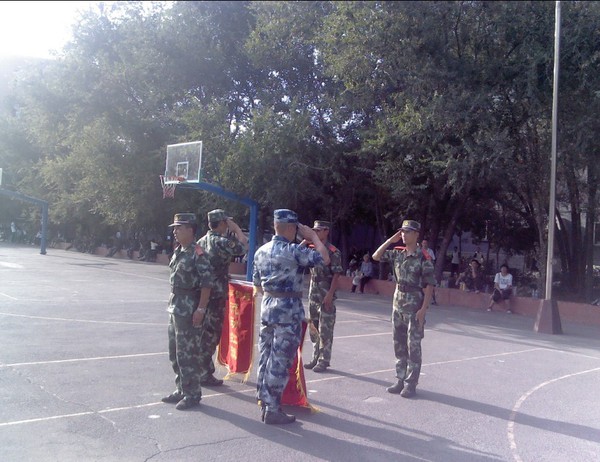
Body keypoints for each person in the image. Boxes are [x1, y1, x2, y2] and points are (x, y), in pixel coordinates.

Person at [253, 209, 330, 425]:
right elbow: (324, 258)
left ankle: (264, 398)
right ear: (290, 228)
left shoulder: (261, 251)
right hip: (287, 310)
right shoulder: (293, 251)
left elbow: (257, 284)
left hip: (268, 306)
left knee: (266, 355)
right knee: (280, 359)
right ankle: (272, 409)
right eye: (296, 228)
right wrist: (314, 237)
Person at [372, 219, 436, 398]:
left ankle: (411, 383)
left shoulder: (423, 257)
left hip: (415, 305)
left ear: (416, 234)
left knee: (413, 346)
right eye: (402, 231)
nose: (403, 235)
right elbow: (376, 256)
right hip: (398, 304)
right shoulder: (397, 254)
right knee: (398, 343)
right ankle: (400, 379)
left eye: (407, 232)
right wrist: (390, 241)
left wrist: (423, 310)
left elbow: (430, 286)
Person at [161, 213, 212, 410]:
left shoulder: (198, 254)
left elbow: (206, 284)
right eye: (174, 228)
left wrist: (201, 309)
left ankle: (192, 394)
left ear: (190, 230)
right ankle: (181, 388)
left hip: (189, 309)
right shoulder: (179, 251)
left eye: (179, 228)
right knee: (175, 352)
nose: (175, 231)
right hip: (176, 306)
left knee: (188, 354)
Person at [196, 209, 248, 386]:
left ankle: (200, 369)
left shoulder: (201, 241)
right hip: (216, 295)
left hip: (202, 294)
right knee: (211, 335)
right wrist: (237, 229)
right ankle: (204, 373)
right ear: (223, 223)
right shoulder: (221, 241)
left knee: (202, 333)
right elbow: (243, 247)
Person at [303, 220, 343, 373]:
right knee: (313, 326)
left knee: (325, 328)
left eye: (318, 230)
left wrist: (330, 294)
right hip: (313, 290)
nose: (316, 233)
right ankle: (315, 356)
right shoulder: (312, 248)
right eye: (314, 230)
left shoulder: (333, 251)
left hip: (326, 291)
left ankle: (324, 360)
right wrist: (306, 240)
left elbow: (336, 274)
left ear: (326, 231)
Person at [421, 239, 437, 305]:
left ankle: (434, 300)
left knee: (431, 284)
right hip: (421, 269)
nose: (424, 244)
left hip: (429, 270)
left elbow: (433, 260)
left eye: (425, 243)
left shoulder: (430, 251)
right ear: (422, 244)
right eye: (423, 243)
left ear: (427, 244)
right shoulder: (419, 251)